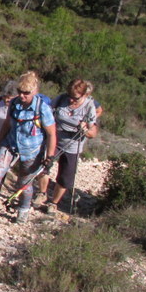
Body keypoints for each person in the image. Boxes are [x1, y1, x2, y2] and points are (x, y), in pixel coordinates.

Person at [0, 71, 56, 224]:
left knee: (24, 184)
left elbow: (51, 134)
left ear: (35, 91)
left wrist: (49, 157)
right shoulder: (15, 103)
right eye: (20, 91)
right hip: (9, 145)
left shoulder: (42, 108)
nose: (22, 96)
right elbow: (7, 124)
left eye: (26, 93)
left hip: (32, 151)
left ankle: (23, 210)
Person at [35, 79, 98, 216]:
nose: (70, 100)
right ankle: (42, 193)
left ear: (84, 95)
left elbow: (93, 132)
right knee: (44, 165)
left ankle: (54, 203)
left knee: (65, 176)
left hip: (73, 145)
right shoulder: (60, 100)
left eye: (75, 98)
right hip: (54, 139)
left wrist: (85, 130)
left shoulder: (89, 107)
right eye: (69, 96)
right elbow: (47, 113)